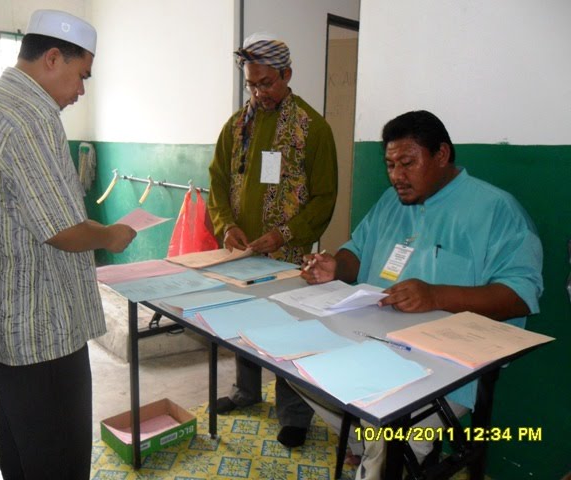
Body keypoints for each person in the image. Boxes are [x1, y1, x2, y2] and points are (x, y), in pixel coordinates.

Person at [299, 110, 544, 479]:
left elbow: (519, 296)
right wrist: (335, 266)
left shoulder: (495, 209)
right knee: (298, 369)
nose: (396, 176)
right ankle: (364, 444)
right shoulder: (391, 201)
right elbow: (357, 250)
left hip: (449, 366)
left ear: (441, 155)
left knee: (387, 425)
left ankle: (381, 452)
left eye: (408, 163)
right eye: (390, 165)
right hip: (372, 344)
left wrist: (436, 296)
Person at [0, 10, 136, 479]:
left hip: (4, 316)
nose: (82, 91)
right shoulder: (29, 117)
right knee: (58, 456)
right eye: (82, 75)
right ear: (53, 58)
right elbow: (63, 229)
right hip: (39, 328)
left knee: (21, 437)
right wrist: (111, 235)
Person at [207, 32, 338, 447]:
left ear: (287, 75)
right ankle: (245, 392)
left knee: (286, 331)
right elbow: (217, 182)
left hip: (288, 256)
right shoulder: (236, 126)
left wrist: (283, 234)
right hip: (241, 255)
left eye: (266, 83)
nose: (258, 92)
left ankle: (294, 414)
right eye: (251, 84)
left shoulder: (313, 128)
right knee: (243, 322)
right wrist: (226, 225)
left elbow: (324, 197)